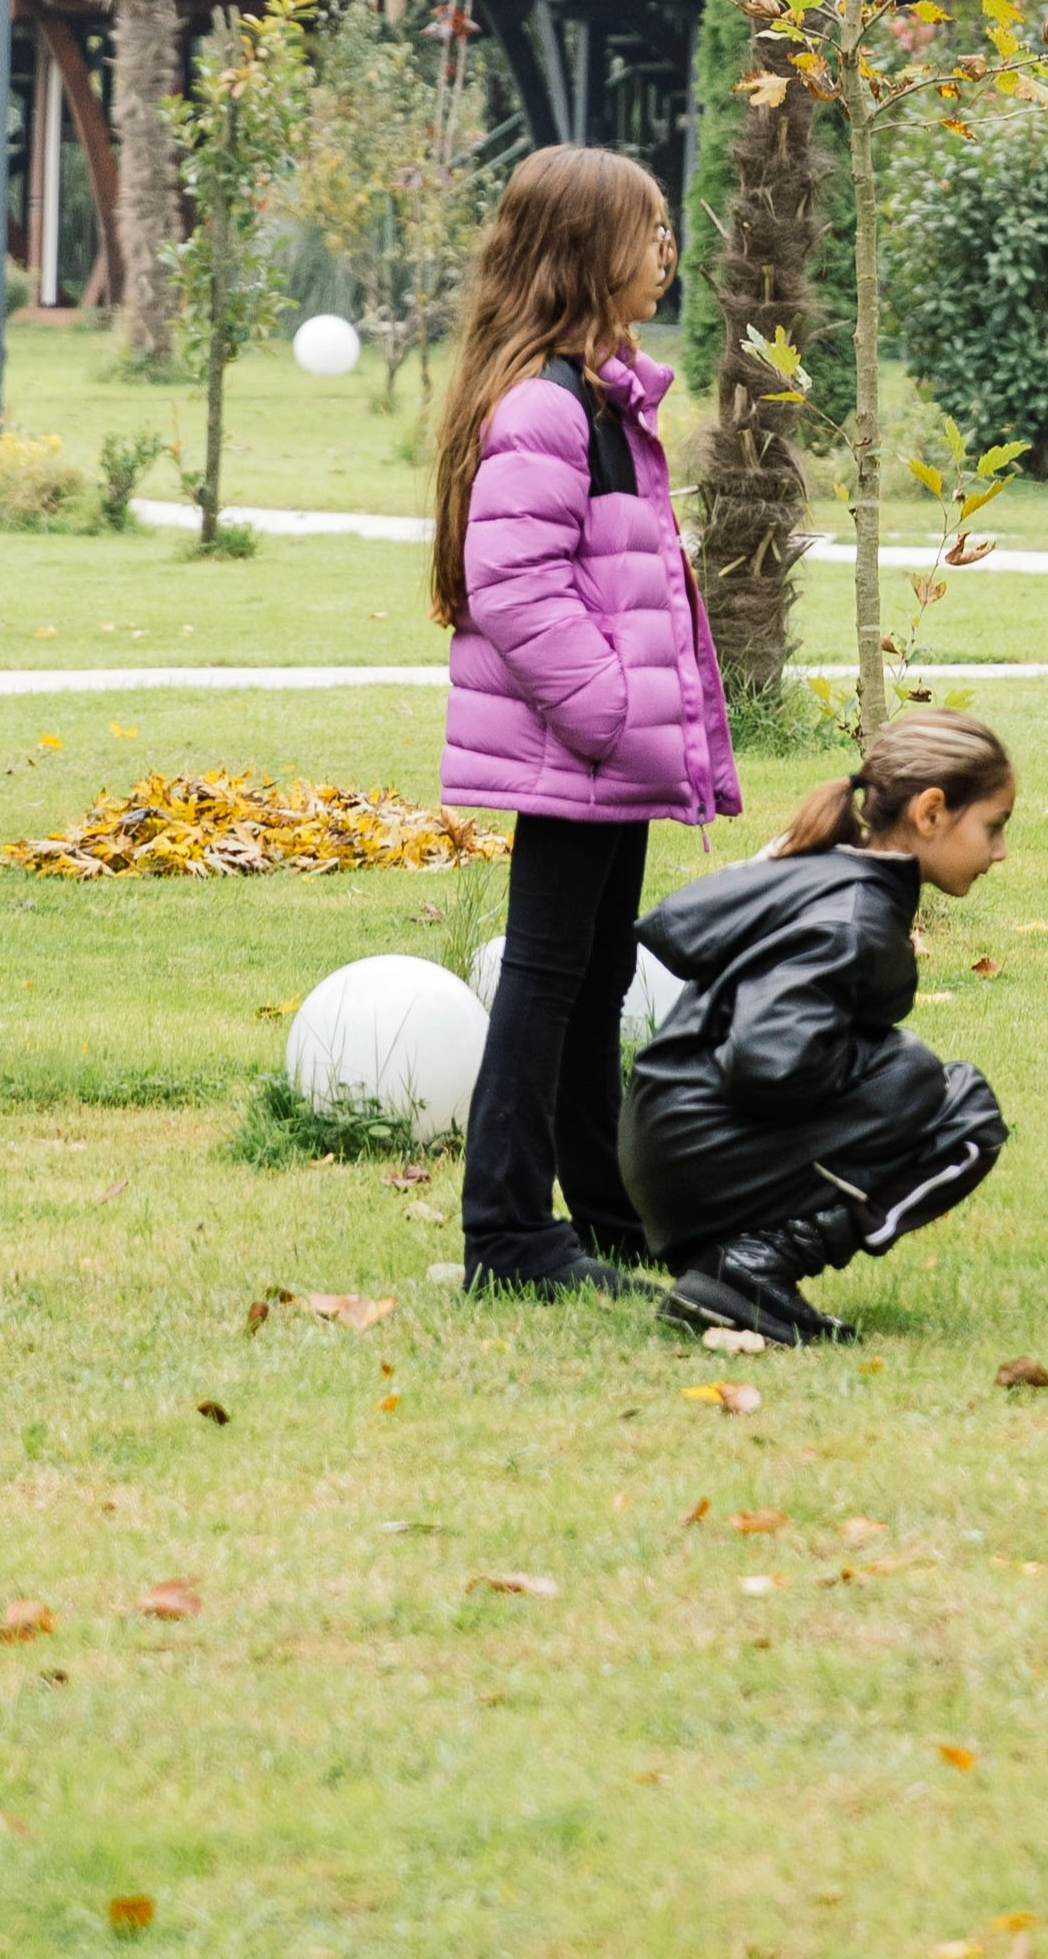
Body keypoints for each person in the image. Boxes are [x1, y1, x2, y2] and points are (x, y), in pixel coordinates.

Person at [434, 142, 739, 1300]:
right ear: (585, 251)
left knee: (595, 971)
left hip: (612, 750)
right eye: (648, 230)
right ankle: (507, 1234)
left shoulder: (606, 397)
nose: (667, 251)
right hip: (582, 746)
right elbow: (514, 587)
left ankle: (599, 1211)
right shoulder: (549, 406)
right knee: (548, 976)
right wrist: (616, 715)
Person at [619, 711, 1015, 1349]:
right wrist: (889, 1079)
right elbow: (767, 1061)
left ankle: (738, 1259)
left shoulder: (837, 876)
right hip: (696, 1154)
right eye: (992, 827)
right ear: (932, 811)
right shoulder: (853, 915)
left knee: (914, 1080)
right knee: (957, 1111)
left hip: (672, 1149)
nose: (1000, 851)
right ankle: (753, 1267)